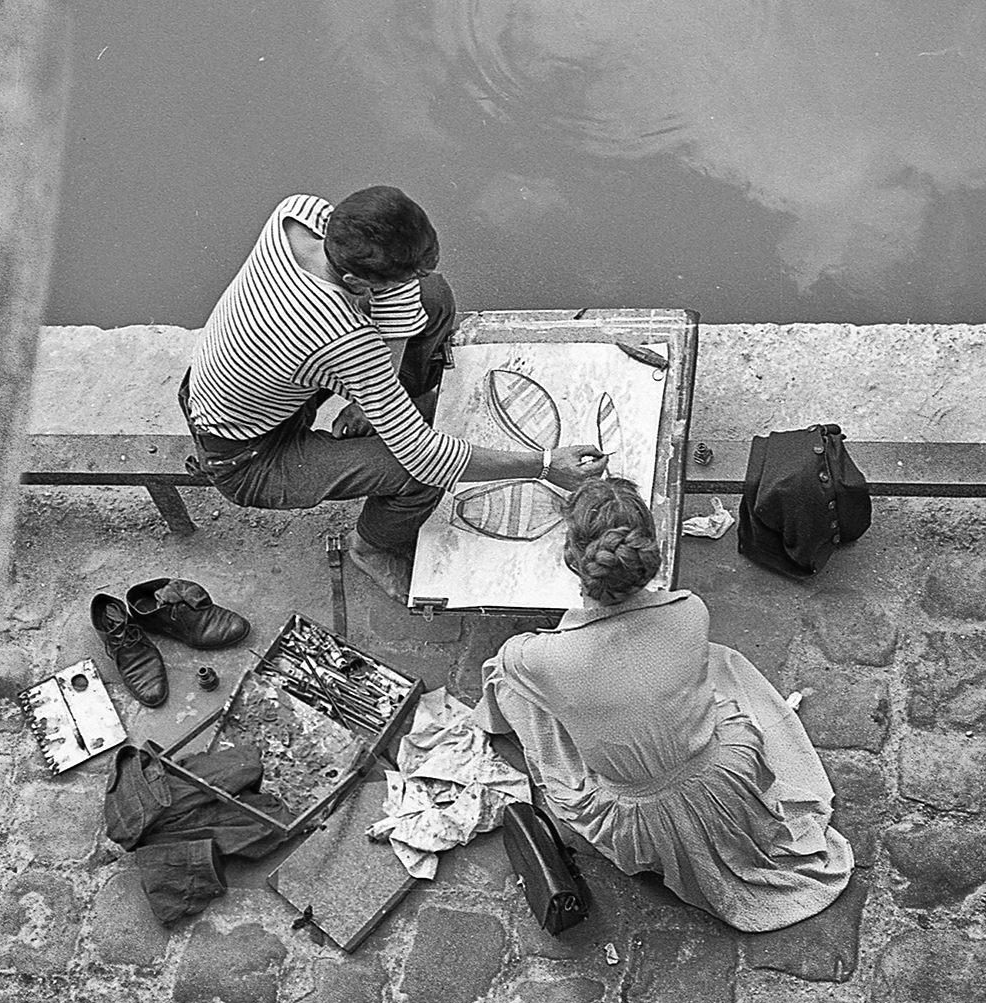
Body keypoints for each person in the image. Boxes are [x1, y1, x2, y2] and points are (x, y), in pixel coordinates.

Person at [180, 186, 607, 599]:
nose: (414, 278)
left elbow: (401, 295)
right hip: (249, 456)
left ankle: (386, 407)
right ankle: (370, 547)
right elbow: (429, 459)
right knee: (421, 476)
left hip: (258, 381)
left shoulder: (298, 214)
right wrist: (545, 465)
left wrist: (372, 396)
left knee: (433, 295)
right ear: (353, 280)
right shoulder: (342, 339)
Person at [477, 476, 852, 932]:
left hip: (638, 821)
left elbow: (516, 667)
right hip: (730, 777)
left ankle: (491, 726)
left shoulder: (535, 656)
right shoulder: (690, 609)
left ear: (572, 559)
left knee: (508, 678)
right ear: (649, 553)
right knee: (718, 664)